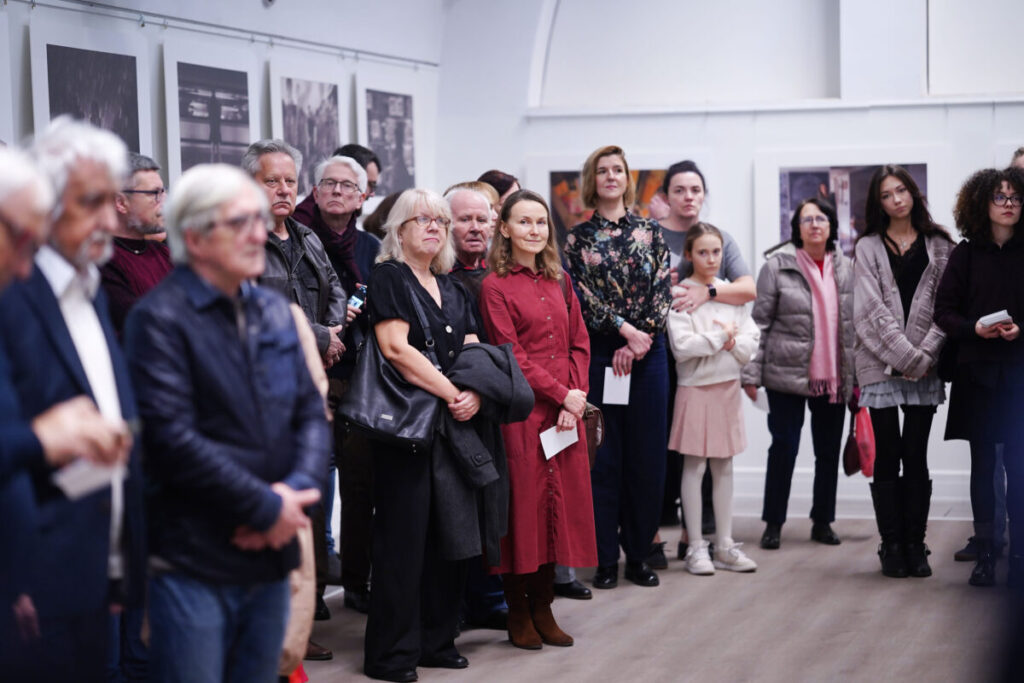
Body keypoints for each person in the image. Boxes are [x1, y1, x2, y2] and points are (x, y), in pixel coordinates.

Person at [124, 163, 330, 682]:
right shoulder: (158, 319)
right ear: (194, 237)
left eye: (258, 220)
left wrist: (293, 496)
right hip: (196, 557)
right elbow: (172, 439)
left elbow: (310, 413)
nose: (259, 233)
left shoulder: (276, 313)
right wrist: (263, 507)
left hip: (270, 552)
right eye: (239, 222)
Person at [363, 188, 530, 682]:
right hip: (408, 430)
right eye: (423, 220)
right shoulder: (388, 277)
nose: (435, 228)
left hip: (454, 425)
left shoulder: (452, 286)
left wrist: (474, 394)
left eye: (440, 220)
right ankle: (392, 656)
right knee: (403, 543)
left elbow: (476, 348)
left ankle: (437, 642)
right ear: (399, 230)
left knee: (449, 538)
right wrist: (452, 393)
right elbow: (395, 348)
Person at [0, 118, 145, 682]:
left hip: (95, 567)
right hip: (33, 581)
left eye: (112, 201)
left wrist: (121, 560)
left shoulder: (88, 287)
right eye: (90, 203)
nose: (110, 220)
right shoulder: (15, 290)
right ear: (45, 204)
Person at [479, 189, 597, 648]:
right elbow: (512, 356)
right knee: (523, 513)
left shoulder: (561, 280)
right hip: (522, 415)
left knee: (557, 510)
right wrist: (562, 395)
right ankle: (518, 612)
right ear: (504, 229)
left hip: (565, 414)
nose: (534, 230)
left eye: (541, 222)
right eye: (524, 222)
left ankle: (545, 605)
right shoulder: (494, 286)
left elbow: (580, 343)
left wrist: (576, 396)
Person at [242, 139, 346, 658]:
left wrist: (329, 329)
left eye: (288, 180)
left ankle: (300, 628)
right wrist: (320, 337)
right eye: (271, 180)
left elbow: (336, 287)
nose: (283, 189)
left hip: (316, 385)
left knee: (314, 509)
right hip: (269, 393)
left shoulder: (306, 235)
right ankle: (274, 635)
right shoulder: (245, 242)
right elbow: (261, 304)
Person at [563, 144, 671, 589]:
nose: (611, 176)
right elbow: (581, 299)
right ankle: (605, 560)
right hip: (603, 355)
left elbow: (663, 290)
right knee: (605, 460)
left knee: (647, 462)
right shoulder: (576, 239)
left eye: (618, 170)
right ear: (593, 181)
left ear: (628, 178)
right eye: (602, 171)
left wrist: (639, 338)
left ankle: (640, 556)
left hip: (648, 358)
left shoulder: (652, 231)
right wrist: (625, 332)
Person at [853, 165, 954, 579]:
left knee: (916, 455)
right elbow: (869, 311)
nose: (896, 200)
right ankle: (891, 543)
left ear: (913, 194)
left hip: (925, 365)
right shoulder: (867, 246)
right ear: (878, 204)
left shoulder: (941, 244)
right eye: (887, 195)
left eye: (902, 191)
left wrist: (923, 355)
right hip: (879, 364)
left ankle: (916, 543)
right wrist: (905, 357)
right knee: (887, 456)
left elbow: (948, 306)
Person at [657, 159, 757, 563]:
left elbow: (745, 295)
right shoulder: (652, 236)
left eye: (695, 189)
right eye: (679, 190)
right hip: (673, 366)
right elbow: (685, 339)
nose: (688, 197)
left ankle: (707, 540)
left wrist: (711, 295)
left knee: (719, 463)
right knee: (681, 459)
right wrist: (721, 335)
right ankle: (682, 539)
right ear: (665, 196)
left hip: (720, 378)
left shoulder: (721, 244)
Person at [742, 197, 855, 551]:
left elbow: (856, 325)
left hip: (834, 376)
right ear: (797, 228)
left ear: (832, 226)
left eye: (821, 218)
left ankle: (823, 521)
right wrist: (750, 373)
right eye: (807, 219)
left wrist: (860, 376)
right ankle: (773, 523)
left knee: (827, 452)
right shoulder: (777, 267)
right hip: (785, 374)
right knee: (785, 448)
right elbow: (758, 323)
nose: (815, 224)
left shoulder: (848, 268)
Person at [934, 166, 1024, 587]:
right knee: (984, 465)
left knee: (1020, 466)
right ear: (982, 204)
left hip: (1019, 370)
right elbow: (944, 312)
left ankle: (1019, 552)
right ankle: (986, 551)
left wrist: (1019, 328)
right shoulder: (965, 254)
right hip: (978, 372)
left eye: (1015, 198)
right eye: (1000, 198)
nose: (1008, 205)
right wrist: (975, 328)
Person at [303, 153, 379, 614]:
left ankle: (356, 581)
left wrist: (357, 317)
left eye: (346, 186)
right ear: (314, 192)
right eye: (328, 184)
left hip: (356, 381)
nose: (336, 192)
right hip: (308, 379)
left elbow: (379, 300)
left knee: (359, 488)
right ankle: (311, 591)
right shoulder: (296, 237)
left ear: (360, 198)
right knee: (313, 487)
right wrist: (327, 333)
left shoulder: (369, 247)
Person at [100, 152, 173, 336]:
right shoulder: (102, 260)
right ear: (121, 203)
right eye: (154, 194)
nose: (163, 203)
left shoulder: (166, 254)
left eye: (163, 192)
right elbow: (140, 322)